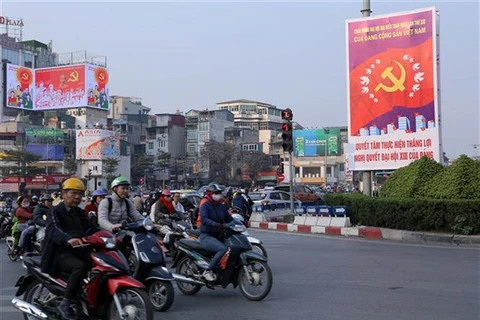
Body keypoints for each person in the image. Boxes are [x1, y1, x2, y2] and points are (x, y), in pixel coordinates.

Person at [40, 178, 95, 320]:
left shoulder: (79, 213)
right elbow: (54, 229)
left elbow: (91, 228)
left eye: (80, 194)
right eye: (73, 193)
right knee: (80, 267)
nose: (77, 197)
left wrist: (110, 236)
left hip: (79, 251)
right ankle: (65, 303)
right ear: (63, 194)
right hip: (59, 253)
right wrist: (67, 239)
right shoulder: (54, 212)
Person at [199, 183, 234, 282]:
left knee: (233, 248)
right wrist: (215, 224)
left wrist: (241, 222)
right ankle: (208, 270)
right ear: (210, 194)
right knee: (223, 249)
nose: (219, 195)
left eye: (219, 193)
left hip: (219, 235)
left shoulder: (221, 206)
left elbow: (229, 219)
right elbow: (204, 219)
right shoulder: (205, 205)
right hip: (207, 235)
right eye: (216, 193)